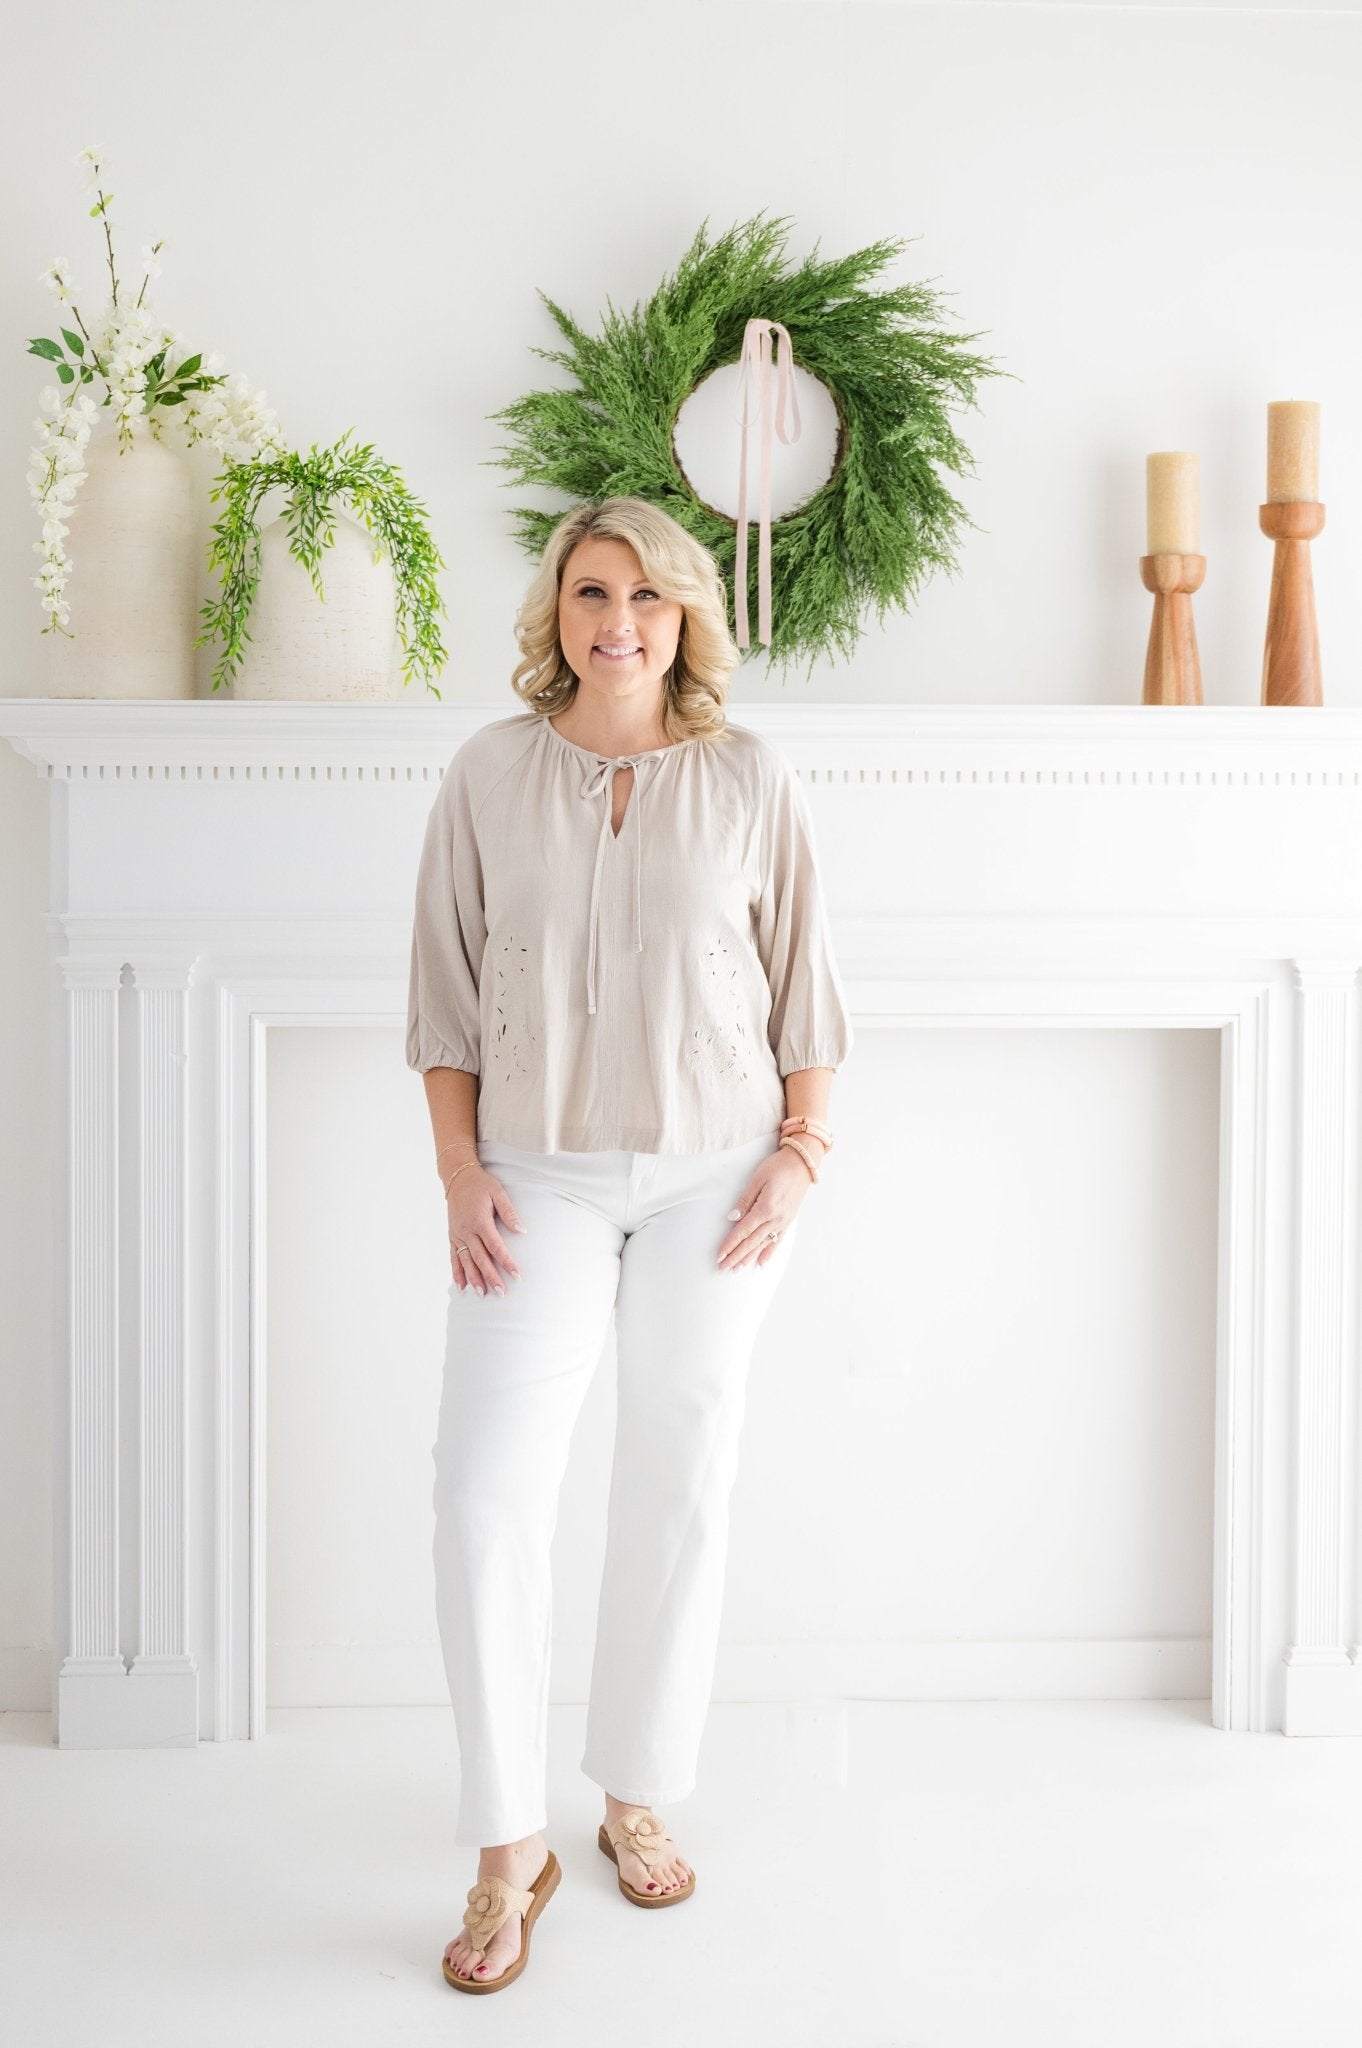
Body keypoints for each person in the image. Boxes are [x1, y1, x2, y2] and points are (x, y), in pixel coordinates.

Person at [406, 495, 854, 1993]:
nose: (619, 622)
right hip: (530, 1175)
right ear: (558, 608)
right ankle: (504, 1847)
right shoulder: (487, 772)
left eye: (649, 596)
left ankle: (635, 1790)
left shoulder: (748, 776)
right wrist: (459, 1172)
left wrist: (800, 1154)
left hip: (717, 1180)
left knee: (680, 1470)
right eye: (593, 592)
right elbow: (444, 1000)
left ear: (685, 618)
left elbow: (806, 987)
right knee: (483, 1493)